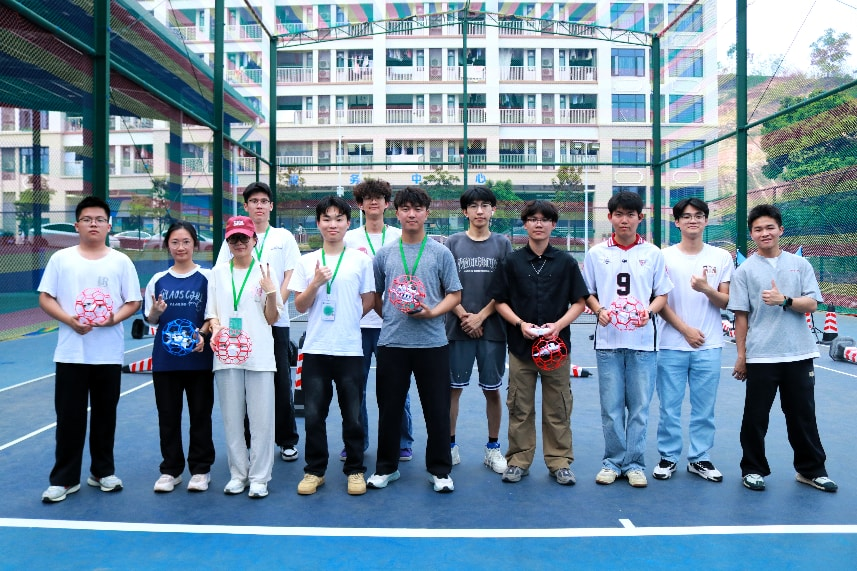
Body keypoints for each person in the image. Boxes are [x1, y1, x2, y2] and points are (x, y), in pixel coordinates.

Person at [39, 196, 142, 503]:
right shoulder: (61, 259)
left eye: (99, 219)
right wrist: (69, 320)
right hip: (71, 353)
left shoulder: (120, 261)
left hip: (108, 354)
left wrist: (113, 319)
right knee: (68, 418)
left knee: (104, 417)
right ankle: (64, 479)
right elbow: (45, 297)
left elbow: (133, 302)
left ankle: (102, 472)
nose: (93, 224)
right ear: (77, 225)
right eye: (87, 219)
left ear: (109, 226)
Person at [729, 204, 837, 493]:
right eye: (758, 229)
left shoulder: (800, 265)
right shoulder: (744, 271)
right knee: (755, 417)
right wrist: (741, 357)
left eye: (769, 227)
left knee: (803, 416)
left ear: (780, 230)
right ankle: (752, 469)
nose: (764, 233)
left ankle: (811, 471)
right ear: (752, 234)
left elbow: (812, 304)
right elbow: (741, 317)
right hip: (761, 355)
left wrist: (785, 300)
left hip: (799, 353)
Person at [366, 186, 462, 493]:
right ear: (396, 213)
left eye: (417, 209)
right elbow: (376, 295)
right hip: (392, 344)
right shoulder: (385, 254)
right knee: (389, 409)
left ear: (426, 213)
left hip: (433, 344)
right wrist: (392, 316)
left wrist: (433, 313)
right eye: (405, 209)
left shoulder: (440, 252)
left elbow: (455, 294)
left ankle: (440, 470)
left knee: (437, 410)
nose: (412, 214)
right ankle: (386, 468)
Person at [488, 200, 589, 486]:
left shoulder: (566, 262)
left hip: (556, 351)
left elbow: (580, 302)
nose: (539, 224)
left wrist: (558, 326)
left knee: (558, 407)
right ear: (525, 224)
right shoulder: (512, 262)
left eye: (545, 219)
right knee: (520, 407)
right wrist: (520, 324)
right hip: (521, 351)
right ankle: (518, 460)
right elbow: (500, 302)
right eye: (533, 219)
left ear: (553, 225)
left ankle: (559, 462)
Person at [583, 191, 672, 488]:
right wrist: (599, 310)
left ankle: (634, 464)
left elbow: (662, 295)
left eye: (630, 214)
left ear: (640, 218)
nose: (624, 220)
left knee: (639, 409)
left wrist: (649, 312)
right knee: (611, 408)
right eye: (619, 214)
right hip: (608, 342)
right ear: (610, 217)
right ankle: (612, 462)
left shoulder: (653, 253)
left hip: (643, 343)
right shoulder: (596, 253)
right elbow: (587, 293)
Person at [292, 196, 375, 496]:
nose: (332, 224)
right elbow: (300, 306)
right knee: (314, 416)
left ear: (348, 223)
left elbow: (369, 300)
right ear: (318, 223)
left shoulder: (361, 261)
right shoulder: (306, 261)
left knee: (352, 416)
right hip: (316, 350)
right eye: (326, 219)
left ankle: (355, 469)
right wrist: (315, 283)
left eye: (339, 219)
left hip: (349, 350)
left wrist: (348, 320)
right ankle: (315, 471)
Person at [215, 182, 301, 463]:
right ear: (246, 206)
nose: (259, 205)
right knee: (243, 383)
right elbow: (222, 274)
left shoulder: (283, 237)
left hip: (275, 322)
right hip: (242, 326)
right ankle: (248, 441)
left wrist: (273, 305)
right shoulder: (233, 239)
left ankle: (287, 440)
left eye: (264, 201)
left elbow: (290, 274)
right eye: (254, 201)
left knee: (280, 382)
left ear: (271, 206)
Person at [653, 198, 731, 483]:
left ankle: (700, 458)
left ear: (706, 220)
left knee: (704, 409)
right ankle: (668, 457)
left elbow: (726, 301)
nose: (693, 220)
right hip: (671, 344)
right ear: (677, 222)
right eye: (686, 216)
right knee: (669, 408)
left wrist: (706, 289)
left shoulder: (721, 257)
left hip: (709, 346)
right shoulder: (663, 257)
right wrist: (685, 330)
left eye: (698, 215)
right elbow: (659, 301)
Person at [206, 215, 282, 498]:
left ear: (254, 240)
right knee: (232, 418)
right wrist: (215, 327)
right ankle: (238, 474)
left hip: (259, 354)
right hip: (227, 355)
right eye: (234, 238)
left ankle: (260, 477)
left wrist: (271, 293)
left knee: (262, 420)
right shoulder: (217, 273)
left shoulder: (265, 271)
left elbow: (272, 318)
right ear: (228, 242)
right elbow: (212, 313)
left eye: (244, 238)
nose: (239, 243)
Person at [344, 178, 414, 462]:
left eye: (379, 197)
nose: (374, 202)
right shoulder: (349, 239)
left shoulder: (400, 236)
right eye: (368, 198)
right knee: (355, 388)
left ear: (387, 204)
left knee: (397, 388)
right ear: (360, 205)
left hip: (393, 324)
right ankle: (356, 442)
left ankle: (402, 441)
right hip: (359, 325)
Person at [143, 221, 216, 493]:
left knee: (200, 416)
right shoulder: (158, 280)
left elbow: (213, 315)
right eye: (175, 242)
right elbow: (150, 318)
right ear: (167, 245)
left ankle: (200, 469)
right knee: (168, 417)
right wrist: (156, 312)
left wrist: (203, 334)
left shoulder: (207, 277)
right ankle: (170, 470)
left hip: (199, 360)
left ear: (195, 244)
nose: (181, 247)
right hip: (166, 361)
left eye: (186, 241)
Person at [445, 187, 512, 474]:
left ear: (493, 209)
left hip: (493, 330)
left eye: (485, 205)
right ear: (465, 211)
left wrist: (481, 317)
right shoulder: (452, 243)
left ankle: (493, 448)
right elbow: (444, 285)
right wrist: (464, 316)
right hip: (456, 328)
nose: (480, 211)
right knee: (452, 390)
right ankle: (449, 446)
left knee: (492, 391)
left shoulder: (503, 244)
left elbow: (506, 287)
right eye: (473, 206)